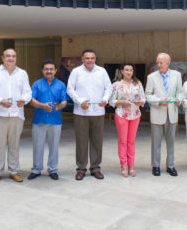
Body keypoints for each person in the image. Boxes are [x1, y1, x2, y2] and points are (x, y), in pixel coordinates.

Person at [0, 48, 32, 184]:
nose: (11, 58)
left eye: (13, 56)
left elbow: (27, 92)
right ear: (2, 58)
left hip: (16, 115)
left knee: (14, 145)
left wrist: (24, 99)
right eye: (8, 56)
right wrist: (1, 101)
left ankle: (14, 171)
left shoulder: (22, 73)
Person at [67, 49, 112, 181]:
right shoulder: (76, 72)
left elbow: (108, 87)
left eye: (92, 58)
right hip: (81, 112)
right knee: (81, 141)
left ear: (95, 58)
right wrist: (80, 101)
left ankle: (95, 168)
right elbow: (70, 89)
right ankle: (81, 169)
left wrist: (105, 99)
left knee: (97, 141)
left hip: (98, 111)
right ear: (82, 59)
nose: (89, 60)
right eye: (87, 58)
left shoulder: (102, 71)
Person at [28, 60, 68, 181]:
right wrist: (42, 105)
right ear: (42, 71)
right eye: (46, 69)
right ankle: (36, 169)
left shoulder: (61, 85)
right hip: (39, 120)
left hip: (55, 121)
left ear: (55, 70)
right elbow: (32, 100)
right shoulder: (36, 84)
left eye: (51, 69)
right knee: (37, 146)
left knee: (54, 146)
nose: (49, 71)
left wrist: (59, 106)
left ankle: (53, 169)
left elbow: (64, 101)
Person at [145, 53, 182, 177]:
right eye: (157, 62)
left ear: (168, 62)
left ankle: (170, 165)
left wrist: (179, 100)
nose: (159, 65)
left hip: (172, 114)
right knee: (156, 143)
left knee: (171, 142)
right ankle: (155, 166)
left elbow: (180, 92)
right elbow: (148, 95)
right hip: (157, 114)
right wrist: (159, 101)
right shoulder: (151, 77)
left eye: (161, 62)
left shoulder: (177, 75)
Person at [108, 64, 145, 177]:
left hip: (135, 115)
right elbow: (111, 101)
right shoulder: (116, 85)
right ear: (122, 71)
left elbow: (143, 98)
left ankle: (131, 165)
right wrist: (123, 102)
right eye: (127, 70)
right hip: (121, 115)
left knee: (131, 141)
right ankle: (123, 165)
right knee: (123, 141)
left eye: (131, 70)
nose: (129, 72)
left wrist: (140, 102)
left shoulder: (137, 83)